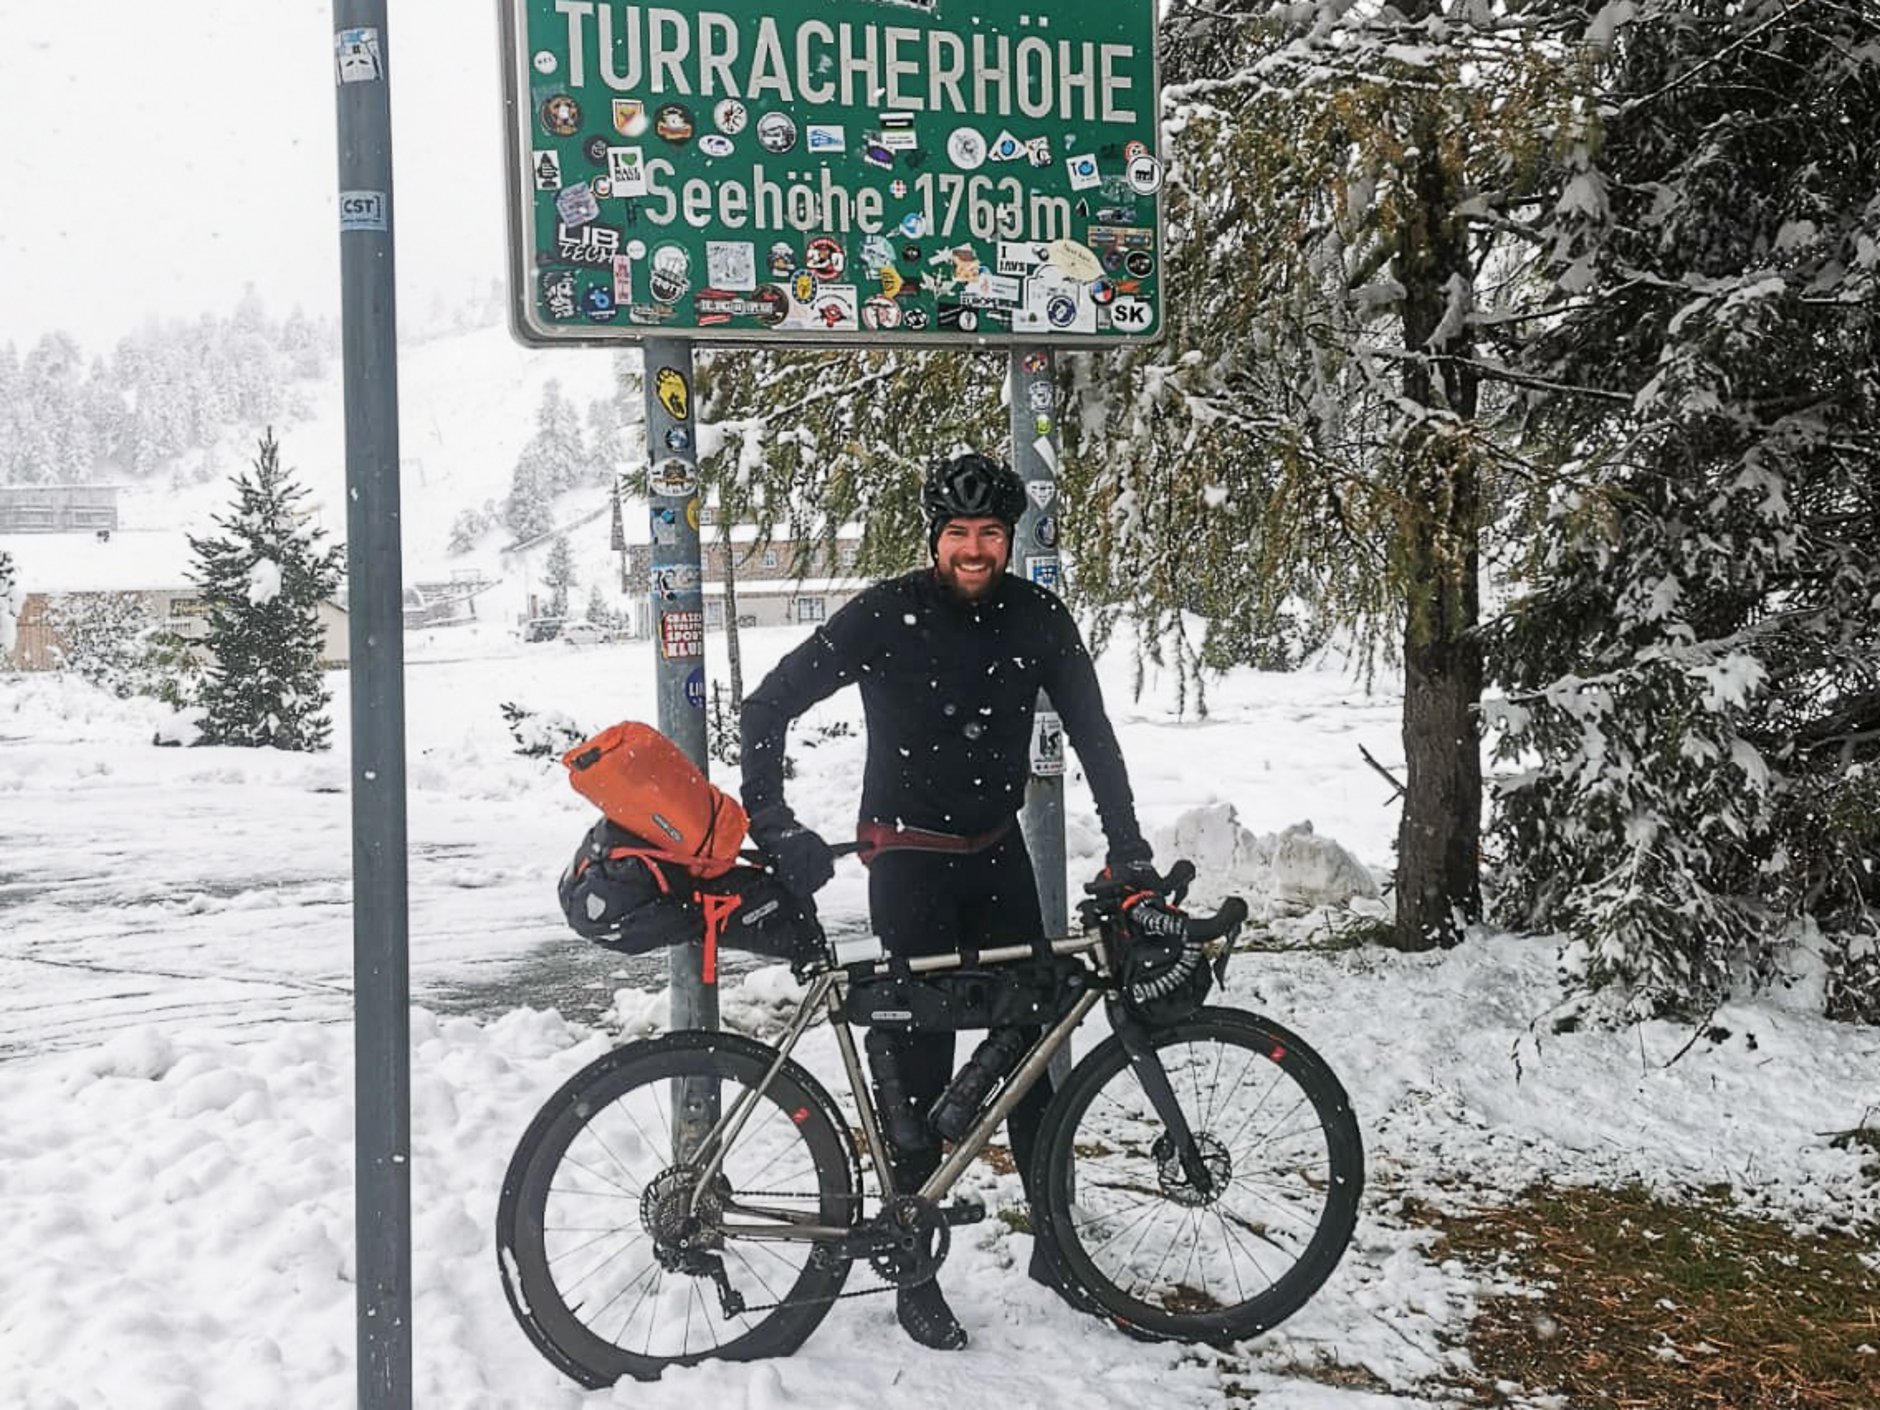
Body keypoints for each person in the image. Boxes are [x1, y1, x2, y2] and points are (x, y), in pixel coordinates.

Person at [740, 451, 1156, 1351]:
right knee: (915, 1062)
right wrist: (774, 822)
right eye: (960, 534)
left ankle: (1061, 1246)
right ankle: (914, 1273)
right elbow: (765, 707)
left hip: (997, 855)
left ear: (1010, 540)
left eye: (991, 535)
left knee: (1041, 1050)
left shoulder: (1038, 616)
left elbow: (1095, 736)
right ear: (935, 539)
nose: (975, 550)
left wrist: (1129, 847)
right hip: (910, 862)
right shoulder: (888, 612)